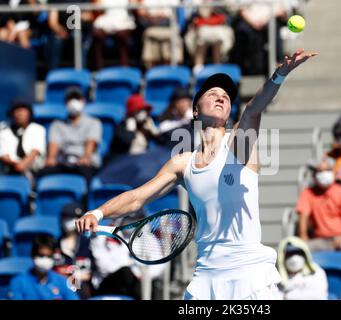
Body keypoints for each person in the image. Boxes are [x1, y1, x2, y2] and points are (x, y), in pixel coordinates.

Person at [76, 48, 318, 300]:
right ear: (195, 111)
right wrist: (97, 212)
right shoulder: (182, 163)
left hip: (249, 274)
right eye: (212, 93)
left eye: (225, 96)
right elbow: (137, 198)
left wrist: (278, 75)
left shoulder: (239, 142)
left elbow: (253, 109)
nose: (221, 97)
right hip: (206, 277)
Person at [296, 157, 341, 258]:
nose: (324, 174)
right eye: (320, 171)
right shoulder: (307, 193)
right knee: (302, 251)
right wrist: (304, 238)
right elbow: (303, 218)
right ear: (314, 175)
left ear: (333, 171)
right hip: (320, 240)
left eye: (327, 170)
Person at [41, 87, 102, 183]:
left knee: (86, 173)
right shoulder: (57, 124)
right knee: (45, 172)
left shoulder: (94, 122)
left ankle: (85, 197)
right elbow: (54, 145)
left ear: (83, 102)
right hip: (63, 163)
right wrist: (51, 158)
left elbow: (91, 144)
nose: (73, 102)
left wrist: (85, 157)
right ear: (65, 103)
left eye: (77, 99)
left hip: (83, 163)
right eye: (70, 99)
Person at [9, 235, 79, 300]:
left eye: (49, 256)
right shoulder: (18, 282)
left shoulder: (61, 281)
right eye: (41, 256)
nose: (45, 260)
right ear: (32, 255)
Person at [53, 202, 94, 299]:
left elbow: (95, 273)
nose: (70, 221)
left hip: (85, 290)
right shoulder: (55, 245)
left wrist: (78, 276)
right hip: (61, 288)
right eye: (66, 218)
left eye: (75, 218)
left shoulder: (89, 244)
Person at [184, 0, 235, 74]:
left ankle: (217, 68)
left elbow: (229, 13)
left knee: (219, 38)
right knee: (202, 38)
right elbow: (197, 15)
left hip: (220, 28)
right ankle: (198, 68)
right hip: (200, 28)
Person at [0, 99, 46, 180]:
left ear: (29, 112)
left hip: (34, 170)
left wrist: (23, 165)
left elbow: (35, 151)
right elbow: (3, 155)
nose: (20, 113)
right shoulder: (4, 130)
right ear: (12, 113)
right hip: (10, 170)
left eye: (23, 109)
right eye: (17, 110)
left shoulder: (38, 129)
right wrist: (15, 164)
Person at [109, 93, 159, 159]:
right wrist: (130, 130)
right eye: (140, 110)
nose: (143, 113)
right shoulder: (121, 127)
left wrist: (154, 131)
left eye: (145, 110)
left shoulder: (145, 126)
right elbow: (126, 143)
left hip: (143, 161)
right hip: (123, 161)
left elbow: (163, 143)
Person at [137, 0, 183, 67]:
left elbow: (177, 17)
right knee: (150, 34)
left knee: (167, 37)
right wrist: (152, 18)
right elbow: (141, 13)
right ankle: (153, 69)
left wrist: (162, 18)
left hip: (169, 26)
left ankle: (169, 68)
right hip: (152, 26)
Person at [92, 0, 137, 69]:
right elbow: (97, 7)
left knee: (122, 36)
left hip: (124, 21)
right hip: (106, 21)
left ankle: (125, 67)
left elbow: (135, 5)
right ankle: (99, 69)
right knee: (97, 34)